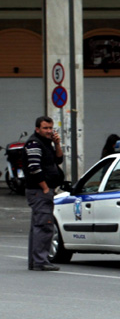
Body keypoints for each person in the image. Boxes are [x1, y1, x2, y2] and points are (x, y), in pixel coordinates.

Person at [24, 116, 64, 271]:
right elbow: (34, 167)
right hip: (39, 191)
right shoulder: (34, 143)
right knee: (44, 225)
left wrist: (57, 144)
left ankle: (36, 261)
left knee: (38, 226)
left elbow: (58, 160)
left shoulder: (47, 143)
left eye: (50, 128)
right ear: (37, 129)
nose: (49, 131)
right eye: (45, 128)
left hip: (41, 191)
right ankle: (40, 261)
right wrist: (46, 188)